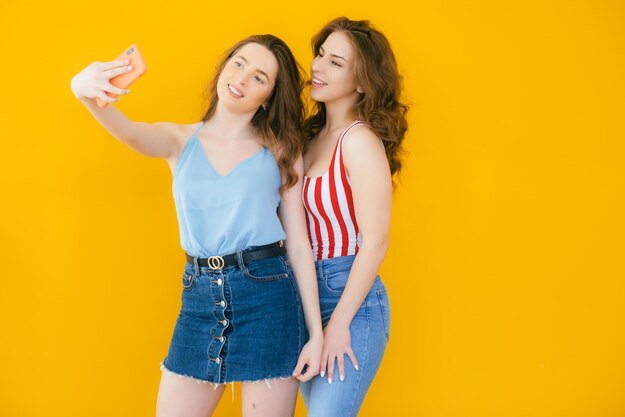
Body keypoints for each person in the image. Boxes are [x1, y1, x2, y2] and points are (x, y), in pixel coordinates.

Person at [70, 34, 323, 417]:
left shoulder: (282, 150)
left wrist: (316, 333)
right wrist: (84, 91)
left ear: (268, 96)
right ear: (225, 66)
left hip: (268, 297)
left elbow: (299, 244)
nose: (241, 77)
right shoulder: (178, 139)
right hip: (199, 299)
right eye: (239, 62)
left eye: (259, 77)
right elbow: (128, 131)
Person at [298, 17, 409, 417]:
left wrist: (339, 324)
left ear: (362, 82)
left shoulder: (359, 141)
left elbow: (376, 240)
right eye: (321, 55)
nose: (318, 67)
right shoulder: (310, 138)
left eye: (336, 62)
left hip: (352, 301)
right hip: (307, 297)